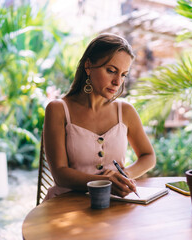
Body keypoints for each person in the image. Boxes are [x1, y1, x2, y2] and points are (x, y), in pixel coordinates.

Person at [43, 33, 156, 200]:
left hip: (114, 204)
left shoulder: (125, 111)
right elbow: (60, 174)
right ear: (88, 66)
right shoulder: (58, 109)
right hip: (66, 205)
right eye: (111, 71)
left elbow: (149, 156)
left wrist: (124, 174)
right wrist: (106, 181)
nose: (118, 82)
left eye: (124, 74)